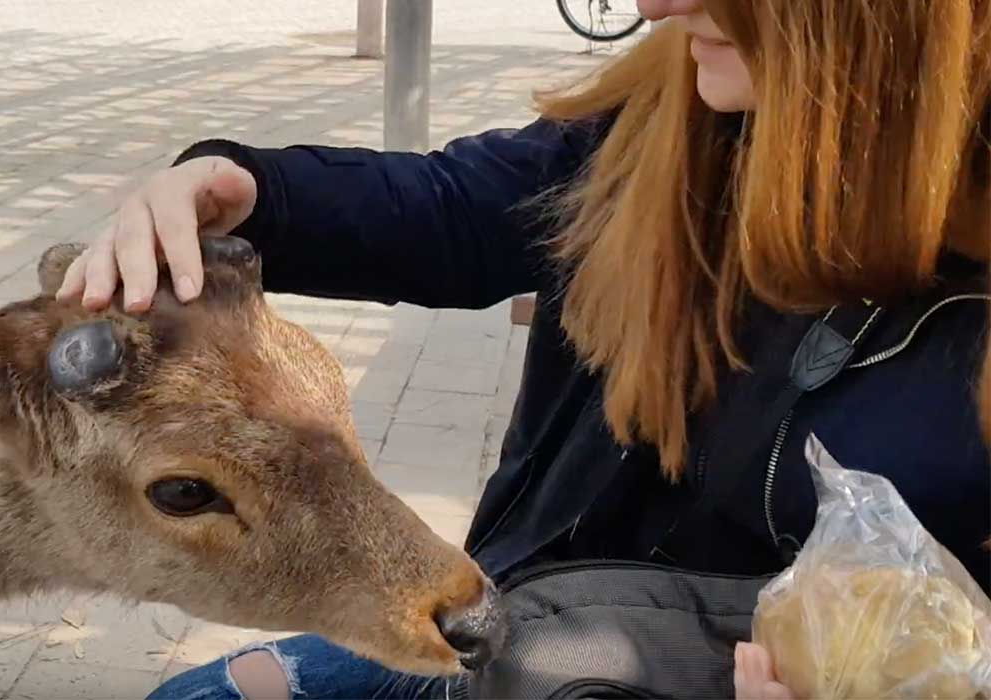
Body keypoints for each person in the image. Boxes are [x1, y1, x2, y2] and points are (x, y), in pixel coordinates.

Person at [58, 0, 991, 697]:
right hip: (521, 634)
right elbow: (459, 209)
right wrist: (247, 193)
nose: (650, 5)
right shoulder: (666, 123)